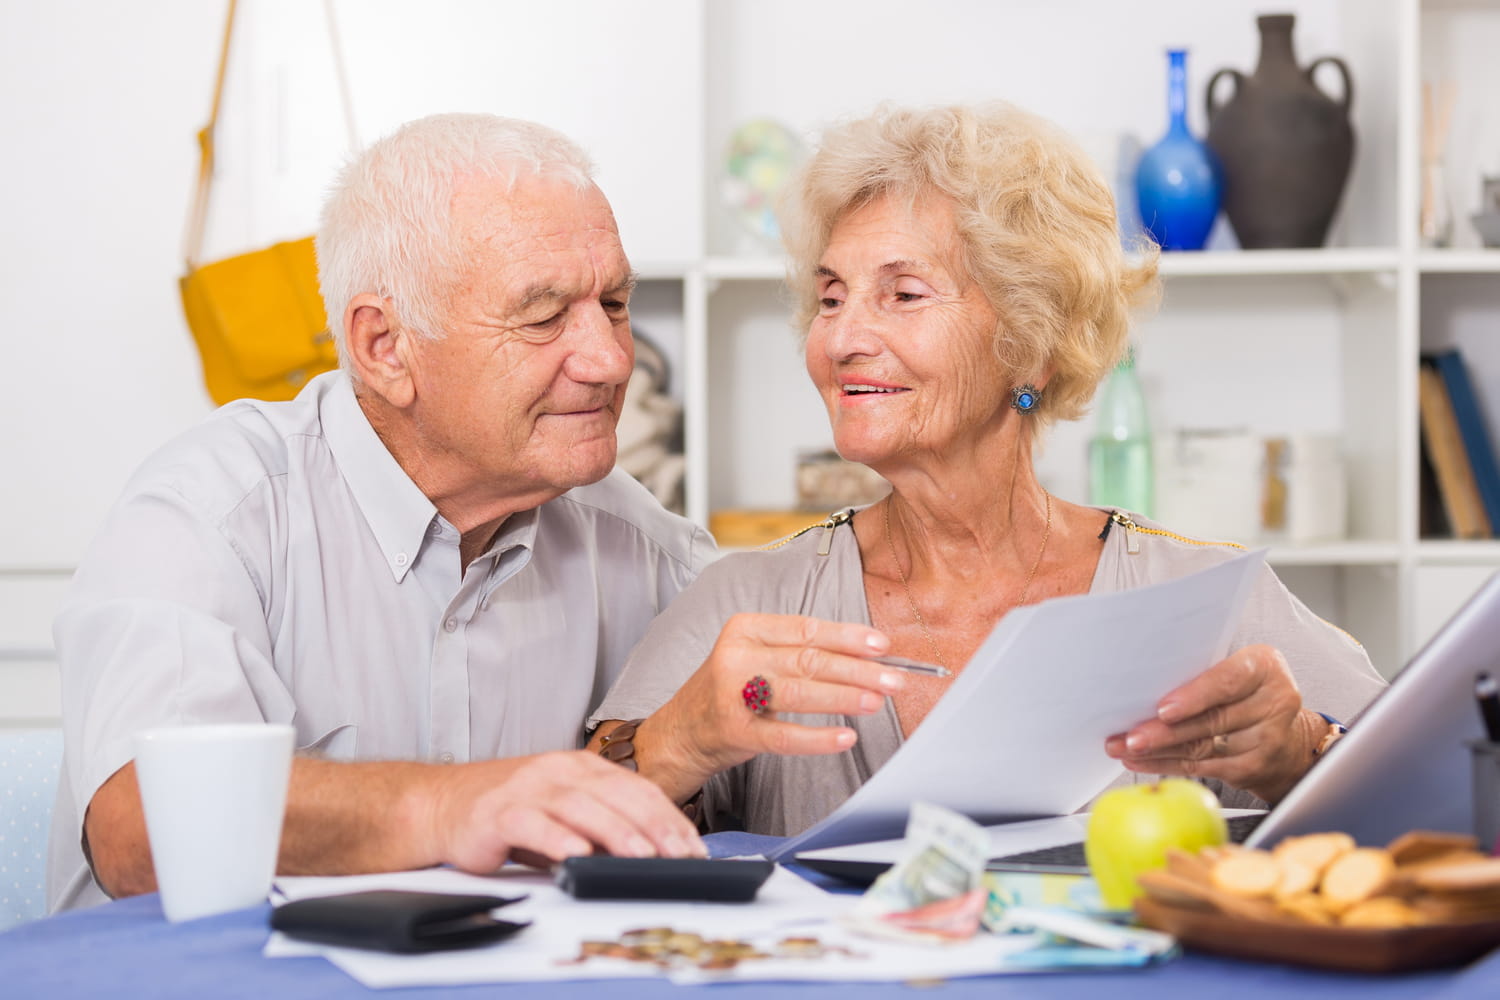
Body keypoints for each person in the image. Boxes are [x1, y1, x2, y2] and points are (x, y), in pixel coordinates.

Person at [588, 102, 1387, 838]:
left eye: (903, 294)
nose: (842, 339)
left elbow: (1442, 802)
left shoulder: (1205, 601)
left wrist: (1303, 751)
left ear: (1032, 339)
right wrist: (678, 742)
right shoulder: (746, 601)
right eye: (831, 298)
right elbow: (564, 837)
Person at [49, 113, 714, 913]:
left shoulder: (633, 538)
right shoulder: (210, 509)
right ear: (384, 346)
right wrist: (454, 805)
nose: (611, 359)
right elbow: (145, 832)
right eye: (542, 318)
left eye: (613, 302)